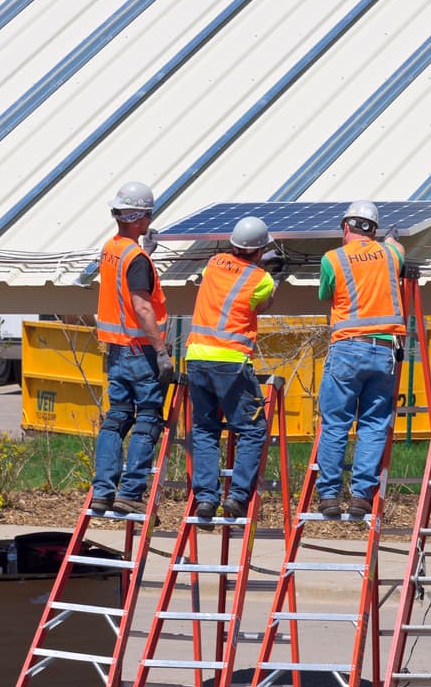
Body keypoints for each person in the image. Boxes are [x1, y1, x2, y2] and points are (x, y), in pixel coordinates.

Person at [185, 216, 285, 522]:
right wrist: (274, 278)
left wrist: (257, 263)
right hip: (230, 361)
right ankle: (238, 497)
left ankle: (205, 499)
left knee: (204, 429)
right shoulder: (261, 279)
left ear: (232, 244)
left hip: (196, 356)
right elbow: (261, 304)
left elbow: (227, 280)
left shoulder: (214, 263)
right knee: (252, 430)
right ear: (261, 250)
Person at [315, 201, 405, 516]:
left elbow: (325, 293)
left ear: (345, 228)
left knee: (336, 423)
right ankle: (361, 496)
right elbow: (397, 249)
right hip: (384, 352)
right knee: (373, 424)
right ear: (374, 230)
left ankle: (328, 495)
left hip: (347, 350)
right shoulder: (392, 254)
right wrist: (392, 242)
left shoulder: (332, 259)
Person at [90, 181, 174, 515]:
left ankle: (102, 491)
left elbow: (121, 285)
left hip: (115, 351)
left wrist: (145, 255)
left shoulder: (111, 248)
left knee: (117, 418)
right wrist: (162, 351)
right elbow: (140, 306)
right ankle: (131, 492)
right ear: (140, 219)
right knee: (148, 418)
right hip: (140, 351)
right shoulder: (135, 258)